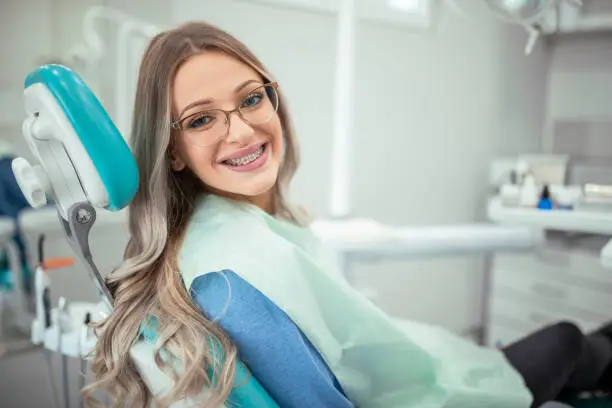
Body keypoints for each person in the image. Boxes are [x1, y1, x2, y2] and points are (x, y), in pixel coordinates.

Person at [85, 22, 612, 408]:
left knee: (578, 345)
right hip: (434, 394)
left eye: (250, 100)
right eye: (201, 119)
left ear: (274, 100)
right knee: (568, 338)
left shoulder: (217, 232)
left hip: (429, 366)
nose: (241, 131)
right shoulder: (230, 278)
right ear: (170, 149)